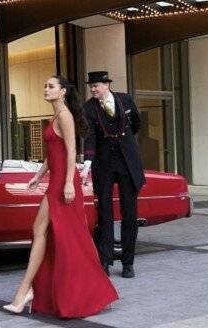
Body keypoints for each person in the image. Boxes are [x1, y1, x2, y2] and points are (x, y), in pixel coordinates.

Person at [3, 76, 118, 318]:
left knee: (48, 233)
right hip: (55, 181)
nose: (46, 89)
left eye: (51, 86)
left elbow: (71, 151)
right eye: (44, 86)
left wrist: (67, 183)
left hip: (63, 185)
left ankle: (24, 292)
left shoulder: (64, 115)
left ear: (62, 92)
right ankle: (30, 291)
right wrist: (38, 175)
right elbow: (52, 153)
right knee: (61, 238)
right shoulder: (56, 116)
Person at [80, 71, 145, 279]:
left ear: (106, 85)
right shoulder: (88, 107)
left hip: (127, 162)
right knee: (105, 215)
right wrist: (88, 161)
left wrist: (124, 143)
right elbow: (89, 135)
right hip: (104, 163)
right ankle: (105, 261)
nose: (92, 89)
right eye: (91, 86)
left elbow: (136, 123)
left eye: (96, 85)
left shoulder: (125, 99)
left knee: (129, 215)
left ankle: (128, 263)